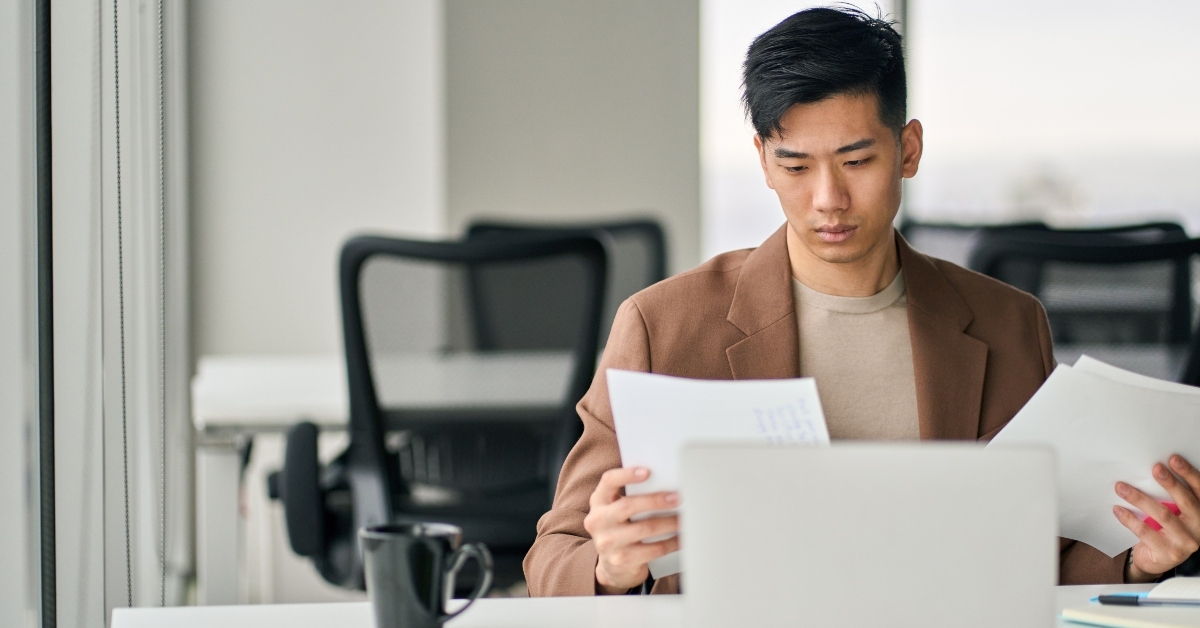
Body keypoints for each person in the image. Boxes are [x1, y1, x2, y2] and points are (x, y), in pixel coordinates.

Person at [523, 6, 1200, 595]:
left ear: (908, 149)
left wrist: (1139, 564)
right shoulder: (660, 326)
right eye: (795, 166)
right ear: (762, 160)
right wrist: (613, 566)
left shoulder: (1008, 324)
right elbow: (551, 560)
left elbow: (1044, 562)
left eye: (856, 161)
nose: (828, 200)